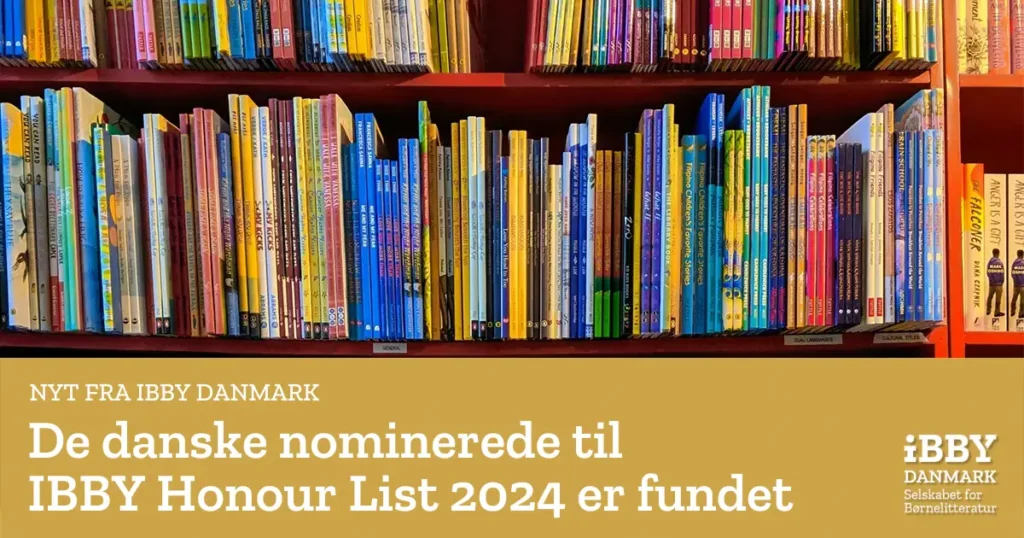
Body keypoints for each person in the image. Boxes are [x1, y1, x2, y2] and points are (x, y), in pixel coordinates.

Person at [986, 248, 1005, 319]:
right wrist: (1001, 282)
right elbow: (1002, 274)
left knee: (990, 297)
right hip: (999, 284)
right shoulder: (1000, 263)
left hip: (992, 284)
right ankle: (997, 312)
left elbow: (988, 272)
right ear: (998, 253)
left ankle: (988, 310)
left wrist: (991, 280)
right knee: (998, 298)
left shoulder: (990, 262)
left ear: (993, 253)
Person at [1011, 249, 1024, 320]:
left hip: (1016, 285)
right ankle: (1021, 313)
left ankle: (1012, 311)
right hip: (1023, 285)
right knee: (1022, 300)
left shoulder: (1014, 263)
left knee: (1014, 298)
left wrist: (1015, 281)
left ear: (1017, 254)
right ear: (1023, 255)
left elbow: (1012, 274)